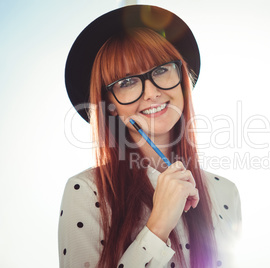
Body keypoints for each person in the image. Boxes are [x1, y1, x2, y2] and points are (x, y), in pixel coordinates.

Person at [59, 5, 241, 268]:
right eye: (126, 82)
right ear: (109, 103)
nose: (151, 93)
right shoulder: (86, 190)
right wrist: (158, 226)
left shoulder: (226, 192)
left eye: (160, 70)